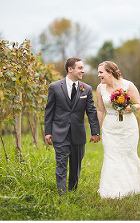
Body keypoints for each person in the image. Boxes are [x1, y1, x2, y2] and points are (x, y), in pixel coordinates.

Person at [95, 61, 140, 199]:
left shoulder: (128, 85)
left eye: (101, 72)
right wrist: (96, 130)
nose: (99, 75)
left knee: (128, 155)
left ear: (110, 72)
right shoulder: (100, 88)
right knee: (111, 155)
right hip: (110, 127)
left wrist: (128, 108)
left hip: (128, 126)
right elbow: (100, 110)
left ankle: (133, 186)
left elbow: (138, 105)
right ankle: (112, 190)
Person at [44, 57, 101, 195]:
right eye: (80, 68)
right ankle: (62, 194)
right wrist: (48, 131)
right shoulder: (55, 87)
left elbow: (91, 111)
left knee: (75, 166)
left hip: (78, 133)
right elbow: (49, 111)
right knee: (61, 164)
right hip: (60, 132)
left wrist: (95, 132)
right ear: (70, 69)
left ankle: (73, 191)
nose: (83, 70)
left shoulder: (86, 89)